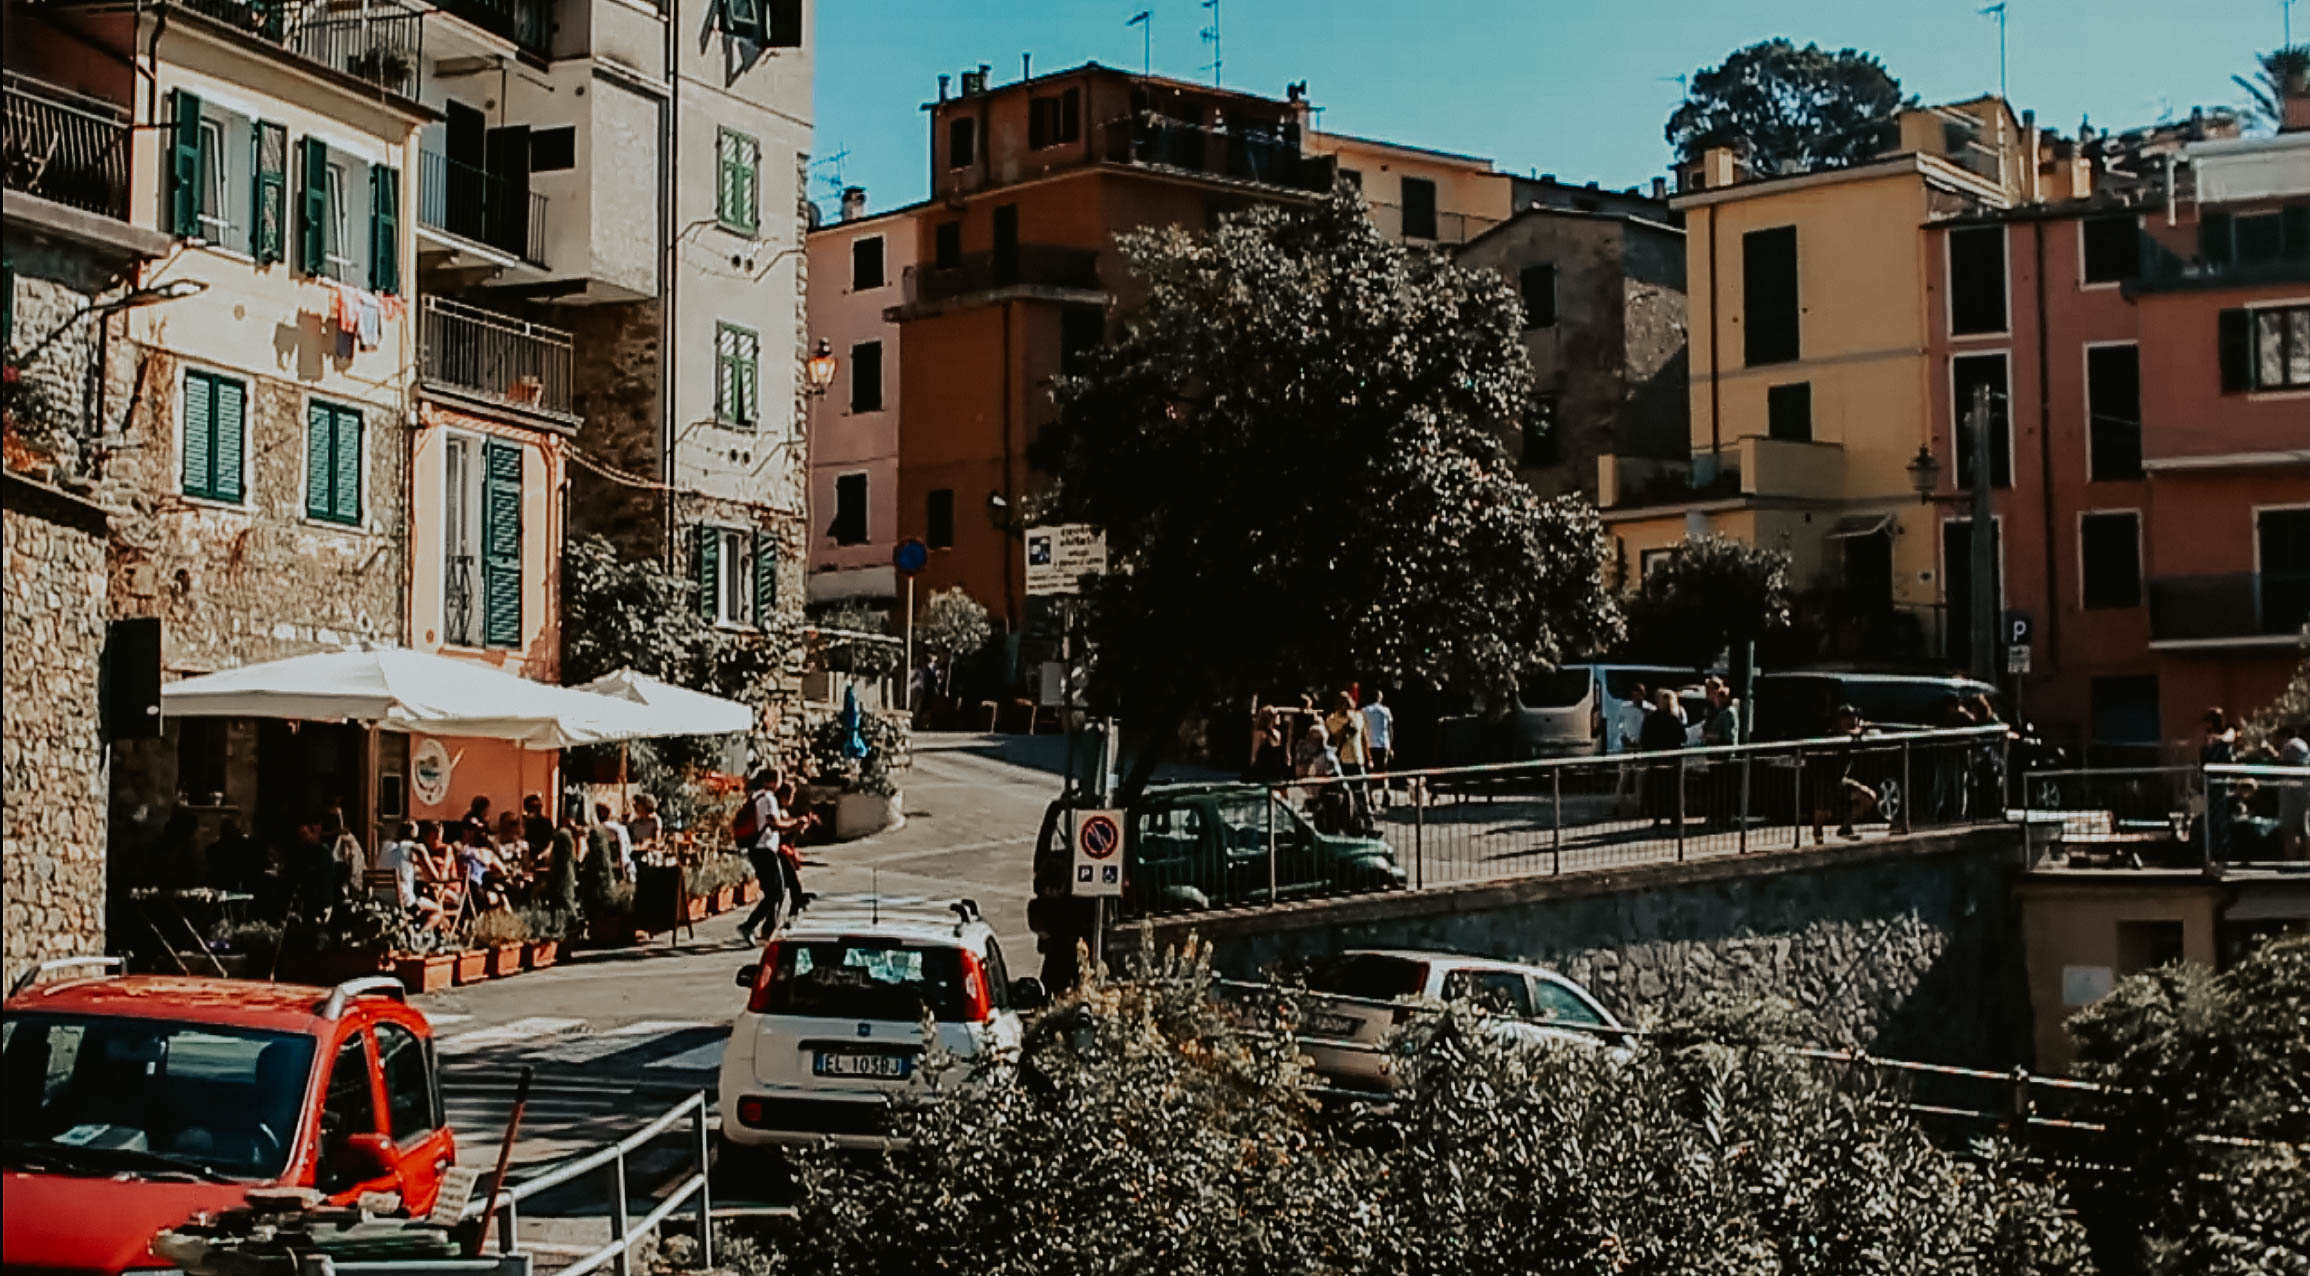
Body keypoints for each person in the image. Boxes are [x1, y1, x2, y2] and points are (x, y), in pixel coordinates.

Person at [1809, 705, 1878, 844]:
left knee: (1868, 798)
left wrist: (1863, 729)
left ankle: (1846, 826)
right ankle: (1817, 835)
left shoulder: (1853, 732)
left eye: (1854, 717)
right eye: (1848, 717)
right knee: (1823, 811)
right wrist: (1859, 730)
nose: (1852, 720)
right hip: (1824, 778)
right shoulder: (1833, 734)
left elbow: (1872, 733)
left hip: (1841, 779)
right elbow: (1850, 733)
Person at [735, 770, 788, 944]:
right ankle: (749, 925)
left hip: (757, 849)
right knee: (776, 892)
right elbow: (774, 824)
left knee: (773, 892)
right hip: (765, 849)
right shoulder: (768, 798)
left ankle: (767, 929)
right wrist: (795, 823)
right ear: (772, 781)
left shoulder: (756, 797)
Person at [1639, 689, 1688, 827]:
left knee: (1657, 789)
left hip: (1656, 759)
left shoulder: (1651, 719)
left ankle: (1657, 817)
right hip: (1673, 760)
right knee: (1674, 791)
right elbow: (1683, 738)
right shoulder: (1675, 720)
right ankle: (1676, 817)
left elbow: (1644, 739)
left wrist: (1648, 752)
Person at [1325, 691, 1373, 831]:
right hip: (1341, 761)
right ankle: (1347, 824)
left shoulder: (1358, 716)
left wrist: (1368, 757)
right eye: (1341, 702)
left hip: (1357, 759)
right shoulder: (1331, 719)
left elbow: (1364, 737)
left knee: (1361, 794)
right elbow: (1335, 737)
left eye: (1346, 702)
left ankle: (1368, 824)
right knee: (1343, 795)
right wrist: (1346, 726)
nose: (1344, 705)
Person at [1362, 690, 1396, 798]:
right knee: (1384, 771)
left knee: (1370, 772)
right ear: (1380, 698)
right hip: (1383, 744)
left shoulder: (1364, 711)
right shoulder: (1386, 710)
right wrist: (1390, 745)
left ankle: (1370, 797)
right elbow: (1390, 729)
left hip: (1369, 744)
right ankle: (1386, 793)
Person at [1246, 707, 1290, 785]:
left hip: (1276, 768)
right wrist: (1252, 766)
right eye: (1277, 715)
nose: (1279, 717)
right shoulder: (1260, 733)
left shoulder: (1278, 733)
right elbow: (1254, 751)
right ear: (1271, 718)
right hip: (1263, 767)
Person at [594, 803, 635, 877]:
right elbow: (626, 846)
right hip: (623, 862)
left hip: (608, 863)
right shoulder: (620, 828)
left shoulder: (598, 830)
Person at [521, 794, 555, 862]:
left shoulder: (546, 822)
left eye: (539, 806)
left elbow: (551, 842)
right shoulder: (523, 822)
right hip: (527, 855)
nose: (538, 809)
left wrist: (542, 855)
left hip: (544, 854)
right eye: (534, 807)